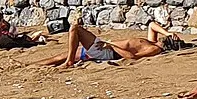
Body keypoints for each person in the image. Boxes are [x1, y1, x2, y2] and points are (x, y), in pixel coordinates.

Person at [43, 18, 185, 67]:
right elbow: (152, 25)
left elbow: (132, 57)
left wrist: (111, 45)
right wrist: (168, 33)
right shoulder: (152, 42)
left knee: (75, 29)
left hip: (107, 51)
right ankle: (28, 65)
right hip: (104, 47)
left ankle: (69, 62)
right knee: (58, 57)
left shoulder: (155, 49)